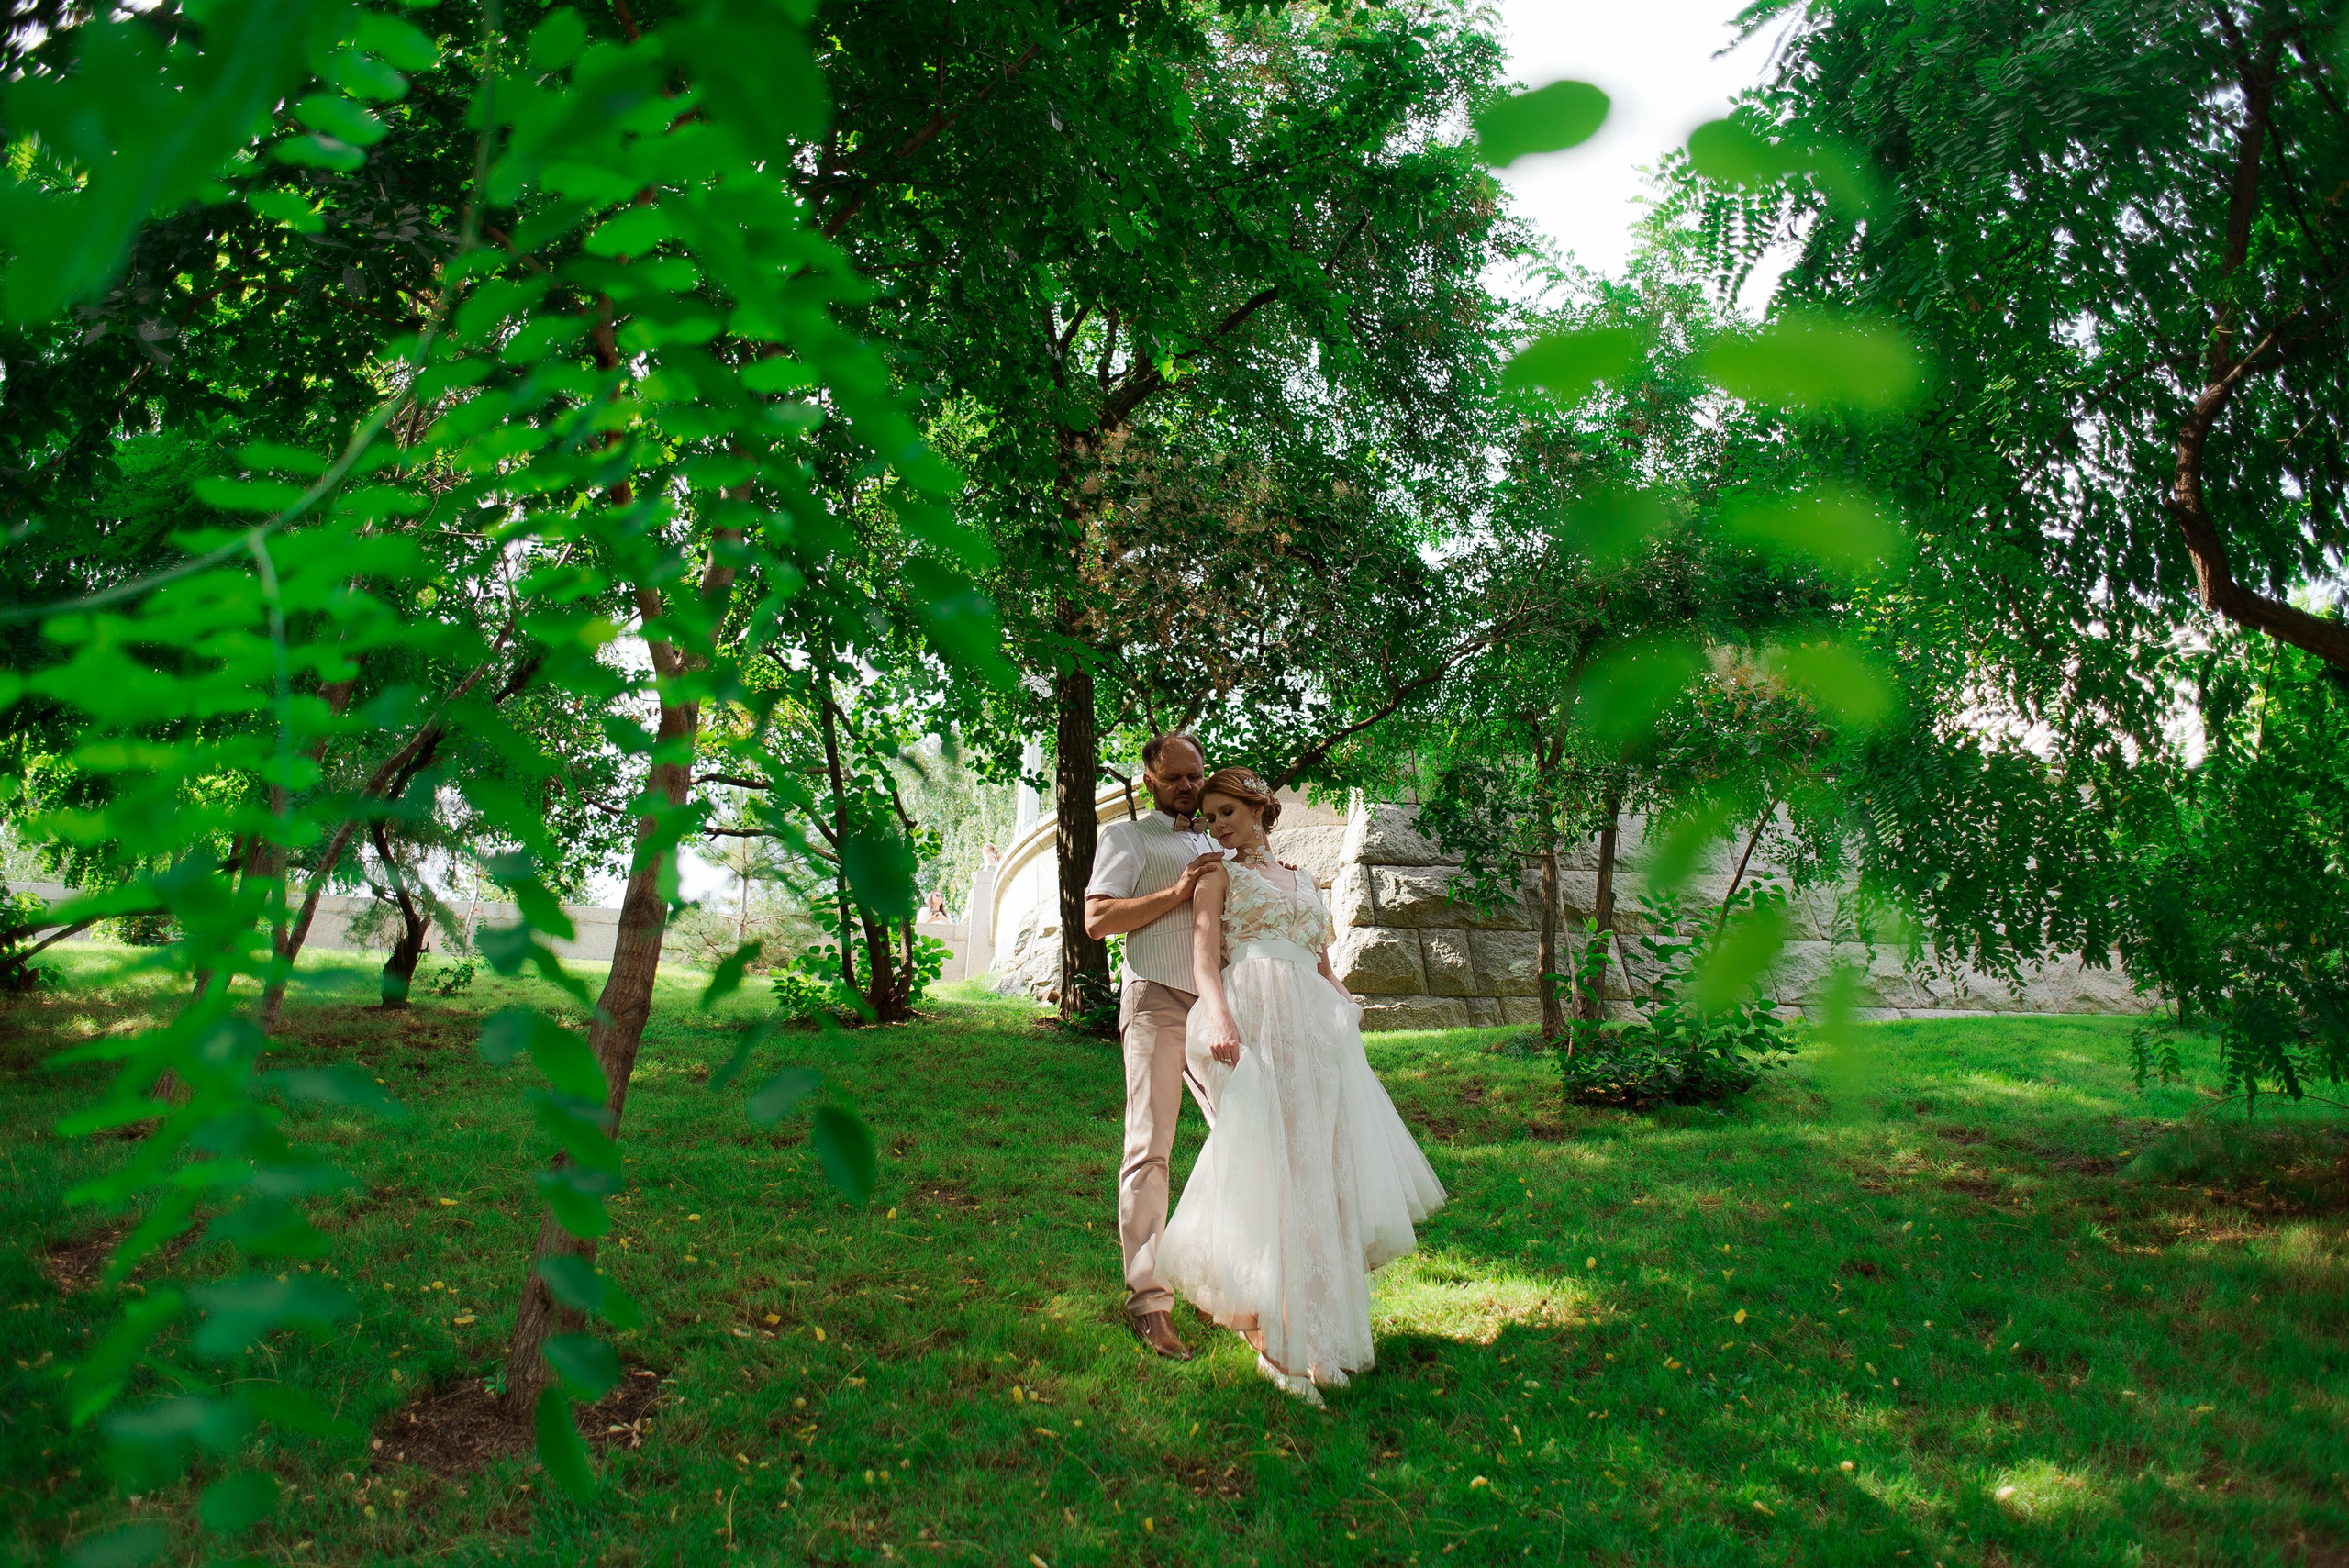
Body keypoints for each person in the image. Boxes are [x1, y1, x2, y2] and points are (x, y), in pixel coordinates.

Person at [1157, 767, 1447, 1406]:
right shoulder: (1215, 875)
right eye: (1210, 817)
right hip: (1255, 1018)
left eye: (1229, 811)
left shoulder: (1302, 878)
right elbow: (1207, 957)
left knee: (1322, 1174)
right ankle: (1275, 1345)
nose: (1219, 825)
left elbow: (1319, 959)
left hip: (1315, 1030)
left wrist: (1345, 1001)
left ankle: (1322, 1341)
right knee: (1274, 1172)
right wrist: (1223, 1018)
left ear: (1261, 807)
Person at [1082, 731, 1229, 1360]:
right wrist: (1176, 892)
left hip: (1221, 1006)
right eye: (1175, 778)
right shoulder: (1128, 838)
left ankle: (1224, 1281)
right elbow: (1097, 918)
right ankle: (1149, 1300)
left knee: (1243, 1135)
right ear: (1149, 781)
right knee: (1150, 1146)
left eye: (1195, 776)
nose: (1189, 787)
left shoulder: (1218, 837)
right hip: (1156, 1001)